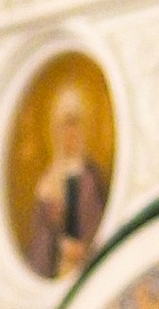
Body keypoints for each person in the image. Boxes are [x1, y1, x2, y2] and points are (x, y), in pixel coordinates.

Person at [24, 78, 108, 283]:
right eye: (65, 126)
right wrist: (52, 225)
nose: (70, 133)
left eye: (75, 125)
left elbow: (99, 225)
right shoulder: (47, 185)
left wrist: (85, 246)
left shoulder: (90, 178)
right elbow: (38, 252)